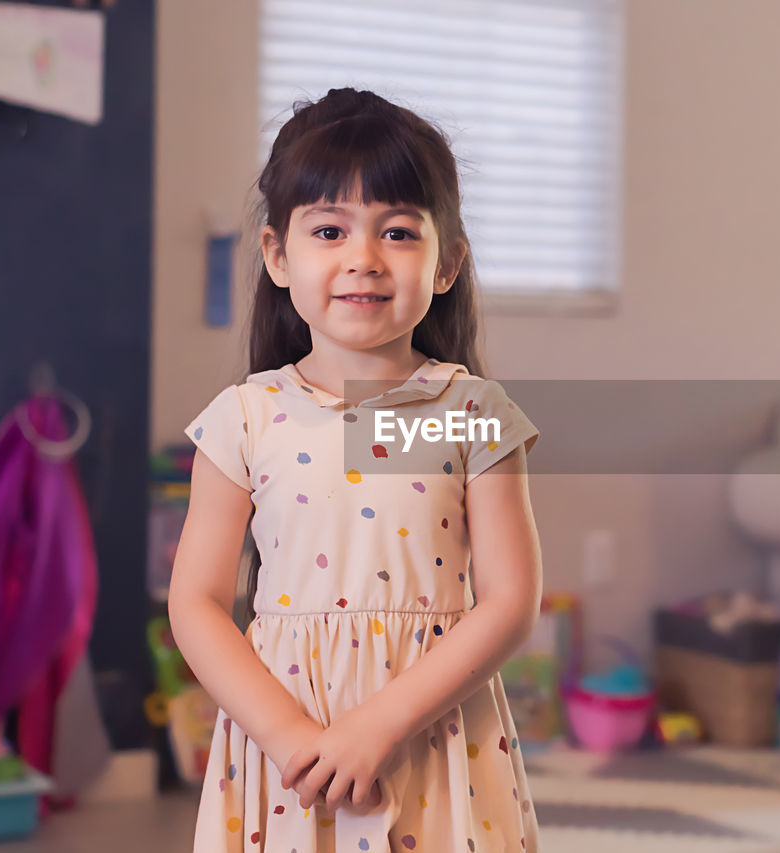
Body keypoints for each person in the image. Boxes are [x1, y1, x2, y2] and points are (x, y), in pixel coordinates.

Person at [168, 87, 543, 852]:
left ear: (447, 264)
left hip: (433, 735)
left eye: (399, 232)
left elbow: (509, 600)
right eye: (330, 230)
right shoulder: (246, 416)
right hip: (287, 750)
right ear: (278, 255)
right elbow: (198, 602)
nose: (363, 259)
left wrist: (381, 723)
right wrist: (287, 736)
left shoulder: (461, 410)